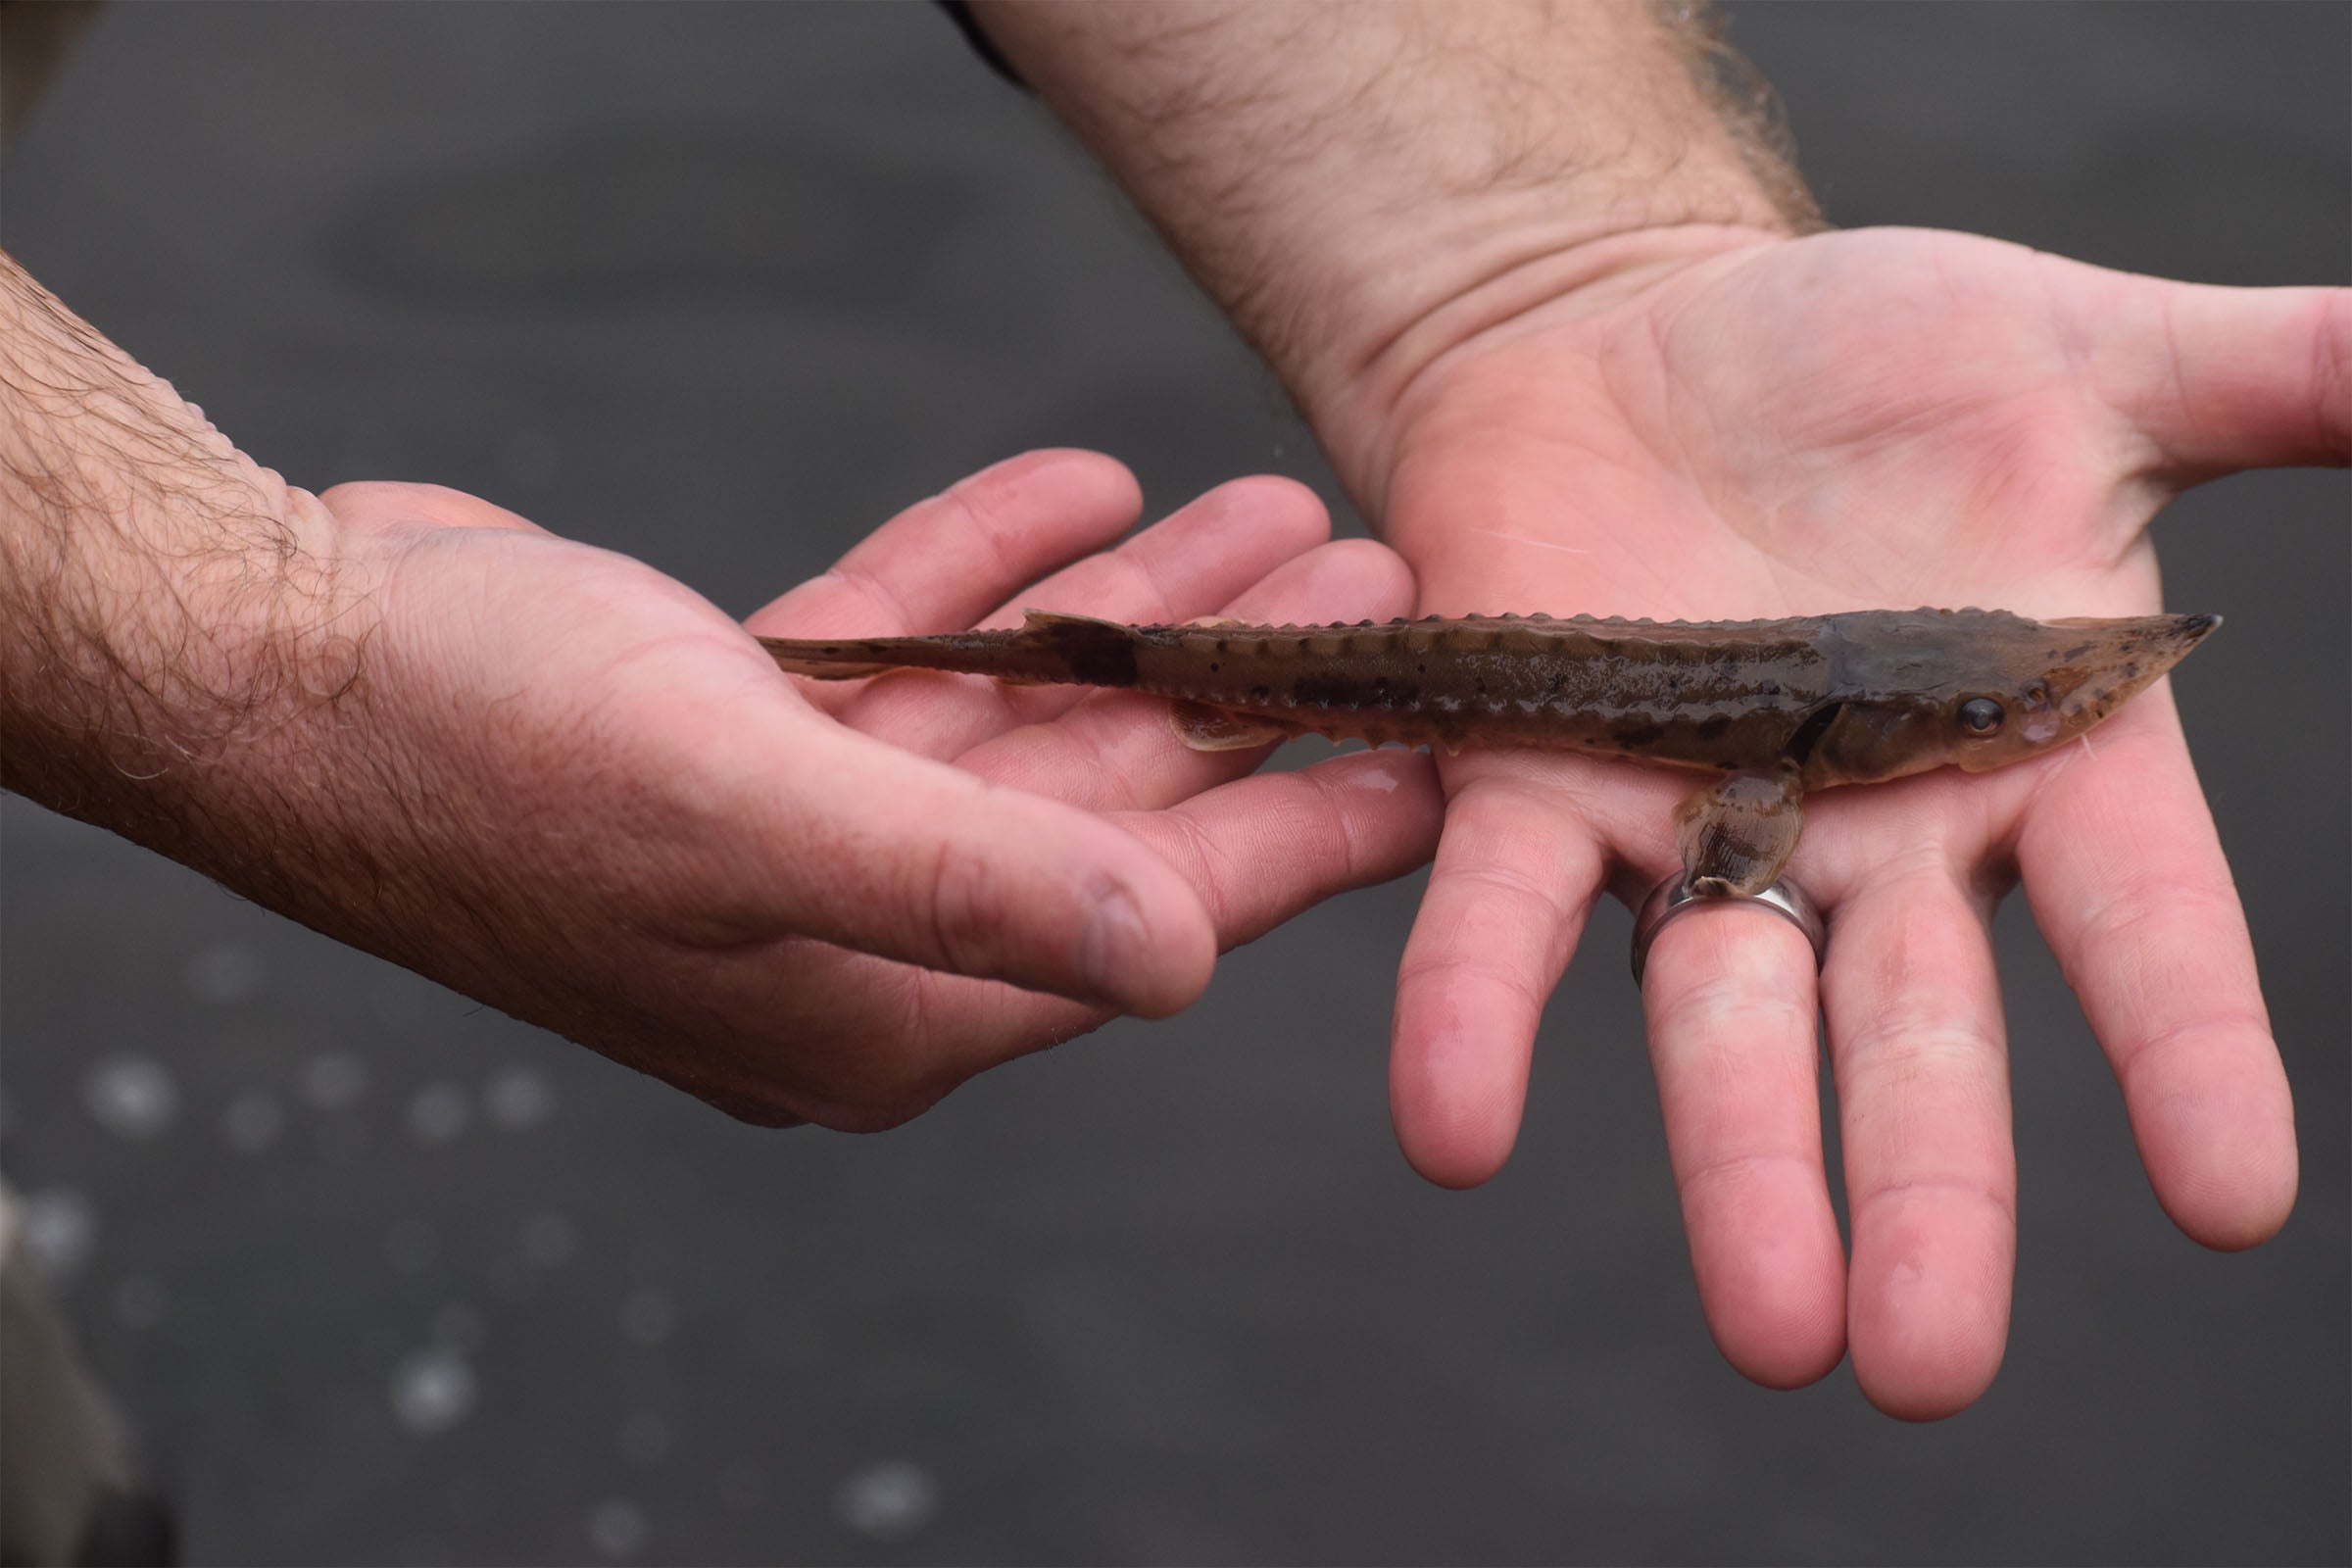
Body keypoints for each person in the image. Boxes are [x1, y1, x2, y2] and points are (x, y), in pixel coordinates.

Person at [0, 8, 2336, 1485]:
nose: (2039, 710)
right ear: (1855, 729)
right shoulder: (1788, 752)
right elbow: (1759, 802)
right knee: (1130, 661)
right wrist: (265, 663)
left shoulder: (1824, 708)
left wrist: (1549, 255)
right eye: (2005, 702)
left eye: (2018, 694)